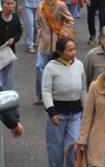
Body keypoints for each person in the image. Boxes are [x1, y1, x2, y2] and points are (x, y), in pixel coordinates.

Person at [42, 37, 87, 167]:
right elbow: (46, 91)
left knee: (74, 144)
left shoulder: (79, 65)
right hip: (57, 114)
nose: (73, 52)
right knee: (56, 147)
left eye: (74, 49)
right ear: (60, 52)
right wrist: (52, 112)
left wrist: (85, 108)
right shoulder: (51, 67)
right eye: (69, 50)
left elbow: (83, 89)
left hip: (75, 113)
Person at [35, 0, 75, 104]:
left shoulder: (60, 5)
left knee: (59, 69)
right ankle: (42, 94)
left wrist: (62, 32)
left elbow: (70, 20)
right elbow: (37, 21)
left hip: (58, 43)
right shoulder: (41, 5)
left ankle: (56, 93)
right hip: (44, 43)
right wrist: (40, 31)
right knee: (39, 67)